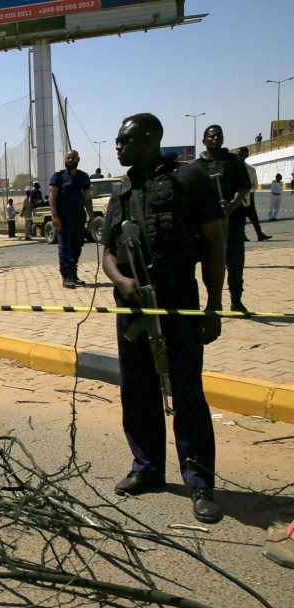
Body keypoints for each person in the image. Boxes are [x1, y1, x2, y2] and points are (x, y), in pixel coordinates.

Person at [102, 112, 226, 524]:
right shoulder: (122, 190)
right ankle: (148, 468)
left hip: (177, 300)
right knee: (137, 390)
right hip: (133, 304)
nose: (118, 146)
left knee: (187, 392)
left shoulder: (189, 179)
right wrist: (121, 281)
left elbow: (215, 243)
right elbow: (107, 251)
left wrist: (214, 306)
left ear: (151, 138)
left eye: (125, 139)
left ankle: (200, 481)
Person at [193, 125, 252, 311]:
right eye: (211, 136)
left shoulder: (234, 161)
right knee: (209, 263)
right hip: (208, 223)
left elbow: (244, 187)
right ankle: (214, 300)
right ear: (204, 141)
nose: (215, 139)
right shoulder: (197, 166)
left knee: (235, 262)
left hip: (233, 220)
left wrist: (231, 206)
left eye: (218, 135)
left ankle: (236, 299)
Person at [49, 150, 94, 289]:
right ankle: (66, 276)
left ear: (77, 159)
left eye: (72, 158)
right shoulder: (58, 177)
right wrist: (54, 216)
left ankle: (73, 275)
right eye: (67, 158)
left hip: (79, 219)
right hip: (63, 219)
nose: (69, 160)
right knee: (65, 247)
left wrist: (91, 217)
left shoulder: (83, 177)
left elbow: (88, 198)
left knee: (77, 247)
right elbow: (52, 197)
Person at [235, 147, 270, 241]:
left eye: (241, 154)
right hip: (236, 197)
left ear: (246, 155)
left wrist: (247, 191)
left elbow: (255, 185)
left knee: (254, 217)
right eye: (238, 154)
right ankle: (243, 236)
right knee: (240, 218)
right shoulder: (232, 168)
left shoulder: (251, 169)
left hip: (249, 196)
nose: (239, 156)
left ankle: (260, 234)